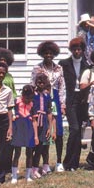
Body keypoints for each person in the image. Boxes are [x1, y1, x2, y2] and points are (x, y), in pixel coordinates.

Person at [31, 40, 67, 172]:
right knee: (44, 130)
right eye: (46, 53)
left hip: (55, 99)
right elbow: (32, 85)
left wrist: (62, 104)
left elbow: (62, 87)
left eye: (51, 53)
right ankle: (42, 163)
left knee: (58, 131)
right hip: (42, 99)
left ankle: (58, 162)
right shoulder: (37, 68)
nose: (48, 55)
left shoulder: (59, 68)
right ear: (42, 54)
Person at [60, 37, 90, 171]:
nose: (77, 51)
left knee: (79, 133)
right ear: (71, 50)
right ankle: (67, 162)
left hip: (82, 100)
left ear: (83, 50)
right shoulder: (64, 64)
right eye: (74, 49)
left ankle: (75, 163)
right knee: (74, 129)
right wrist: (62, 102)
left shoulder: (87, 65)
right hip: (70, 99)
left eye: (79, 49)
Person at [11, 85, 39, 183]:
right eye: (26, 98)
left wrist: (36, 136)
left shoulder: (33, 104)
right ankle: (14, 175)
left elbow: (34, 121)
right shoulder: (16, 103)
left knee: (29, 153)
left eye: (30, 98)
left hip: (29, 129)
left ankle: (28, 175)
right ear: (22, 95)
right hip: (18, 128)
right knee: (17, 152)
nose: (28, 100)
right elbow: (11, 115)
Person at [32, 74, 56, 177]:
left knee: (43, 146)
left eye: (43, 83)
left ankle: (42, 167)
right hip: (35, 122)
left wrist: (50, 127)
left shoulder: (47, 96)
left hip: (44, 122)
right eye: (39, 82)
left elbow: (49, 112)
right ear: (36, 83)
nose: (41, 84)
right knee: (35, 146)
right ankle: (33, 169)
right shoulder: (33, 95)